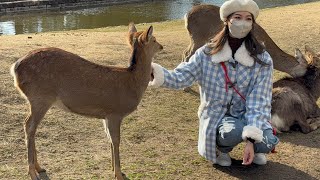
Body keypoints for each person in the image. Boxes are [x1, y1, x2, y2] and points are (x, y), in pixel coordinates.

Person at [149, 0, 279, 166]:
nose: (243, 23)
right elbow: (181, 76)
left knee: (268, 140)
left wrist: (251, 141)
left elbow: (259, 101)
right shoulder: (206, 54)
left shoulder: (262, 59)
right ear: (227, 20)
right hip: (220, 117)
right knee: (232, 132)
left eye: (248, 19)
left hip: (247, 113)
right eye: (238, 17)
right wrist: (156, 72)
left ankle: (256, 150)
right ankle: (221, 150)